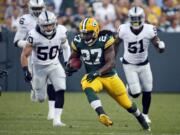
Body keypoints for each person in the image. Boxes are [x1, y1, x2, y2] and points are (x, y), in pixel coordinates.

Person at [66, 17, 150, 131]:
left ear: (95, 31)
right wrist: (69, 66)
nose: (85, 37)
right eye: (83, 34)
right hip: (94, 77)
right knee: (86, 84)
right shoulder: (78, 41)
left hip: (109, 77)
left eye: (88, 33)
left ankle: (142, 121)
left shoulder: (105, 39)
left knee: (127, 105)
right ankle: (102, 114)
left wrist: (98, 72)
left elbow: (111, 62)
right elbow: (74, 56)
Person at [20, 10, 71, 126]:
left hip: (54, 64)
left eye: (50, 25)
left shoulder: (61, 31)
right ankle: (35, 90)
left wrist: (68, 62)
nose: (48, 28)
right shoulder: (34, 35)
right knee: (41, 98)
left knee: (61, 89)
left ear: (55, 23)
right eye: (45, 25)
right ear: (40, 25)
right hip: (39, 67)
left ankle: (57, 120)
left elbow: (66, 46)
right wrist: (25, 70)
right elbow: (24, 55)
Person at [117, 6, 165, 124]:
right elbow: (115, 44)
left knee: (148, 90)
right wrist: (111, 58)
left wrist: (161, 47)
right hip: (129, 65)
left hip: (144, 64)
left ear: (143, 18)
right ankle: (129, 90)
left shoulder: (149, 29)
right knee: (136, 93)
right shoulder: (123, 29)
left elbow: (157, 47)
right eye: (133, 18)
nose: (135, 21)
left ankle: (145, 114)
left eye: (138, 18)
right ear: (129, 18)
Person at [13, 0, 57, 120]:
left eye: (39, 8)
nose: (37, 11)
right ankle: (34, 89)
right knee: (40, 98)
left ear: (43, 7)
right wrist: (29, 44)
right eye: (35, 8)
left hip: (48, 53)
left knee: (51, 81)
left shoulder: (50, 17)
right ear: (30, 8)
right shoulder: (24, 20)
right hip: (33, 55)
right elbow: (16, 41)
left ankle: (52, 112)